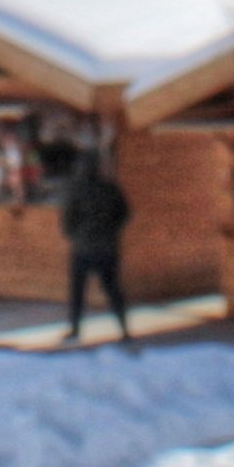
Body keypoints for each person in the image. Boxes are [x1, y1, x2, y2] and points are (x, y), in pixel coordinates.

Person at [56, 140, 136, 347]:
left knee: (78, 291)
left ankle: (75, 329)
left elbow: (67, 219)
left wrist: (75, 235)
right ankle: (124, 329)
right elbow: (125, 213)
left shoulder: (77, 190)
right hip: (108, 247)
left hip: (83, 248)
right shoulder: (111, 188)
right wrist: (112, 230)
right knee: (113, 289)